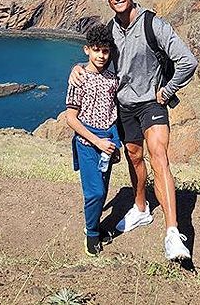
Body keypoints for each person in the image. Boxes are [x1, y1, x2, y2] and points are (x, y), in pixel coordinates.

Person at [70, 0, 198, 261]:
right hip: (124, 107)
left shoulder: (153, 24)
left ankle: (173, 234)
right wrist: (78, 66)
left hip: (151, 104)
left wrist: (166, 92)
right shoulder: (111, 31)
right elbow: (99, 60)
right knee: (134, 156)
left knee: (159, 156)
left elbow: (187, 61)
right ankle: (140, 208)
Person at [65, 24, 121, 257]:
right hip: (88, 144)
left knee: (104, 190)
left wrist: (113, 142)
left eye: (105, 51)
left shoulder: (112, 79)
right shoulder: (79, 79)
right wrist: (97, 142)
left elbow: (114, 110)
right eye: (96, 50)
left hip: (108, 142)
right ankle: (91, 233)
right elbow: (71, 118)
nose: (101, 55)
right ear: (86, 50)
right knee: (95, 192)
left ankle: (96, 226)